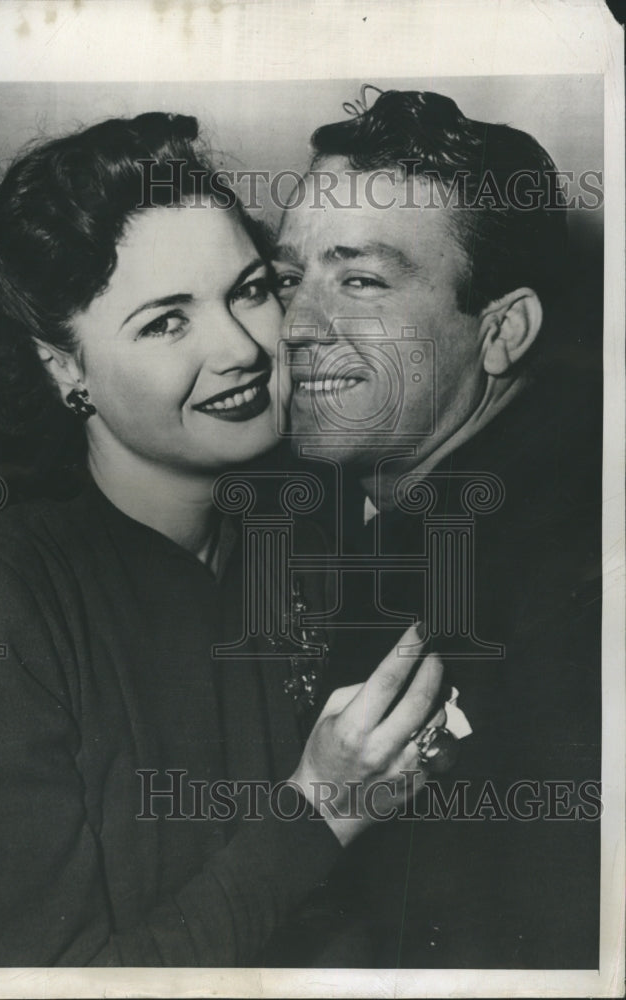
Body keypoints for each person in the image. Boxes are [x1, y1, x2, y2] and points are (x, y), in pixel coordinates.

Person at [0, 112, 448, 967]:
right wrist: (317, 811)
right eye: (164, 322)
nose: (242, 350)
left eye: (251, 290)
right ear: (61, 366)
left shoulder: (317, 530)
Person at [273, 88, 602, 967]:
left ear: (502, 331)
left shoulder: (563, 584)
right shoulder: (368, 495)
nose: (296, 327)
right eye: (288, 279)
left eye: (361, 281)